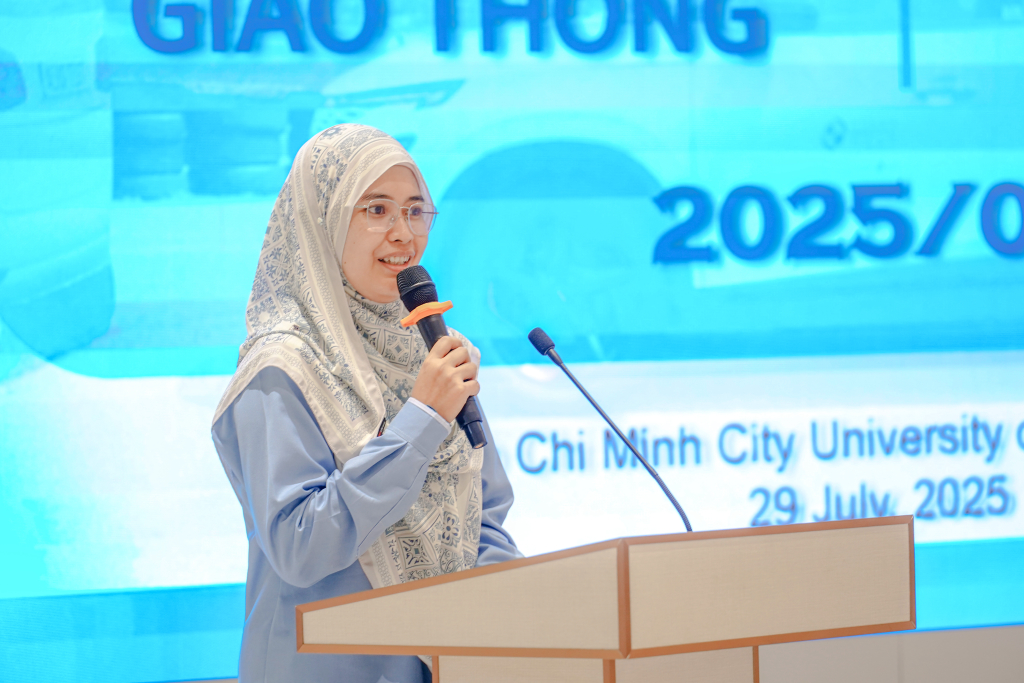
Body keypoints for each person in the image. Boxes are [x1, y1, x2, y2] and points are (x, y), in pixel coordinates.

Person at [211, 124, 522, 682]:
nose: (404, 234)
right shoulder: (280, 369)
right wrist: (422, 421)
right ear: (324, 219)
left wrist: (496, 624)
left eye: (415, 211)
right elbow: (300, 545)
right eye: (377, 210)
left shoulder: (429, 346)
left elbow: (484, 509)